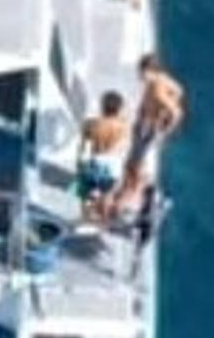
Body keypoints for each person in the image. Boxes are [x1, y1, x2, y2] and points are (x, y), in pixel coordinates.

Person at [106, 54, 187, 217]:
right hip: (148, 126)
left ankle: (129, 200)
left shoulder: (157, 88)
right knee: (134, 164)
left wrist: (164, 130)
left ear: (150, 71)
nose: (140, 77)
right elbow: (179, 91)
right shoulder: (164, 80)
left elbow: (176, 112)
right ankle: (132, 193)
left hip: (146, 129)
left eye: (142, 73)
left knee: (132, 165)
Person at [75, 90, 130, 223]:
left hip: (94, 160)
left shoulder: (90, 124)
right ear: (119, 109)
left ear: (102, 105)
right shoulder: (123, 126)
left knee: (86, 195)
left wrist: (79, 164)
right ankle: (103, 222)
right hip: (112, 163)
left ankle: (85, 219)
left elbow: (82, 147)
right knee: (107, 196)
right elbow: (124, 147)